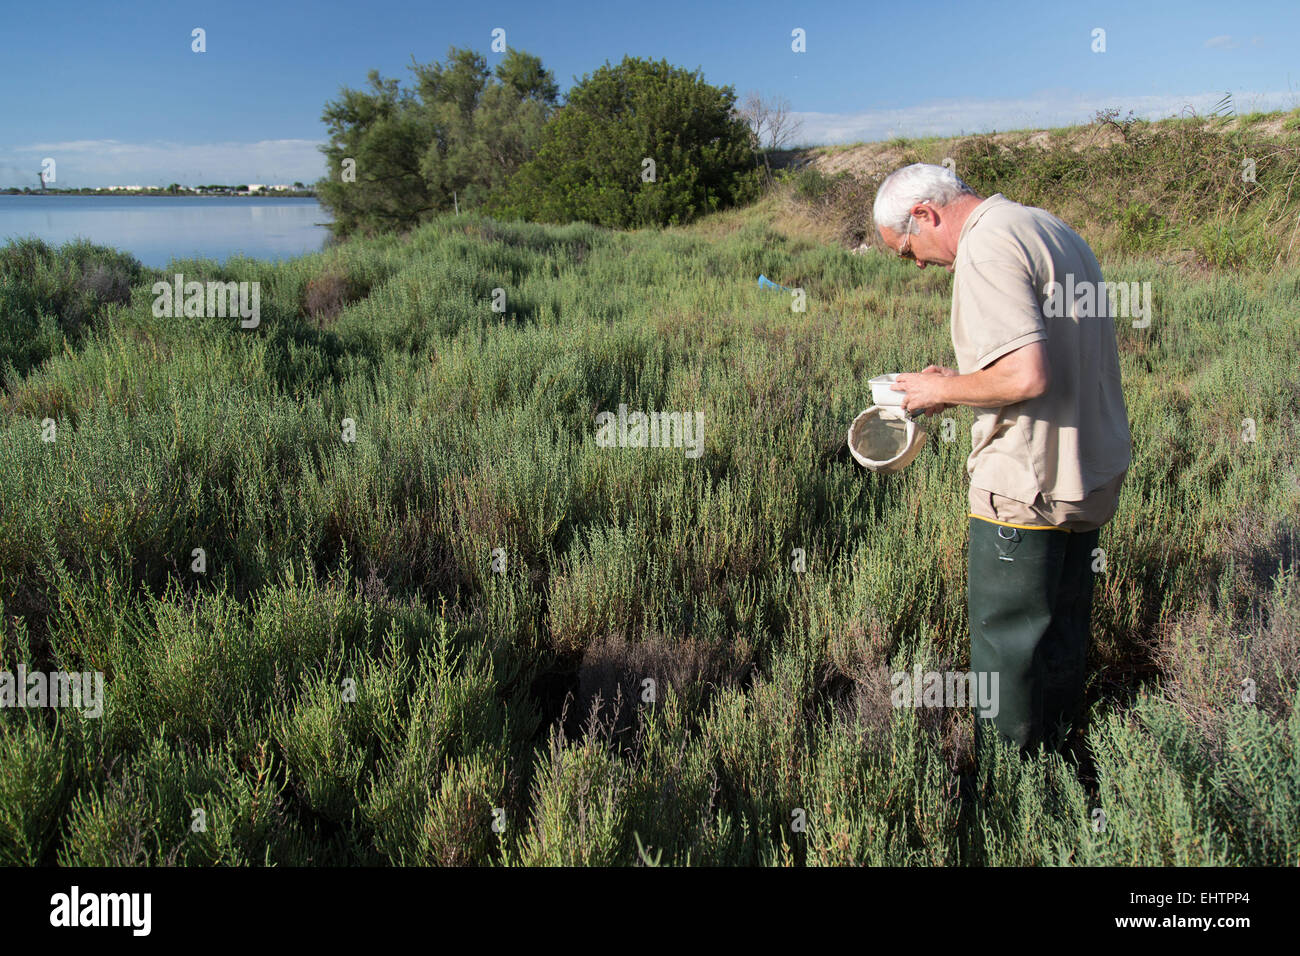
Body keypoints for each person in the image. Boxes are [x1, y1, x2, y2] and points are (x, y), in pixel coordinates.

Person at [873, 163, 1132, 755]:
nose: (915, 264)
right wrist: (959, 379)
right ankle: (1065, 765)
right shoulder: (1050, 229)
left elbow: (1026, 374)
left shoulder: (985, 247)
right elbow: (1053, 357)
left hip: (1027, 483)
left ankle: (1010, 789)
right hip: (1086, 474)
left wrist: (938, 391)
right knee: (1063, 637)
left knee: (1006, 648)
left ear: (924, 214)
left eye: (906, 250)